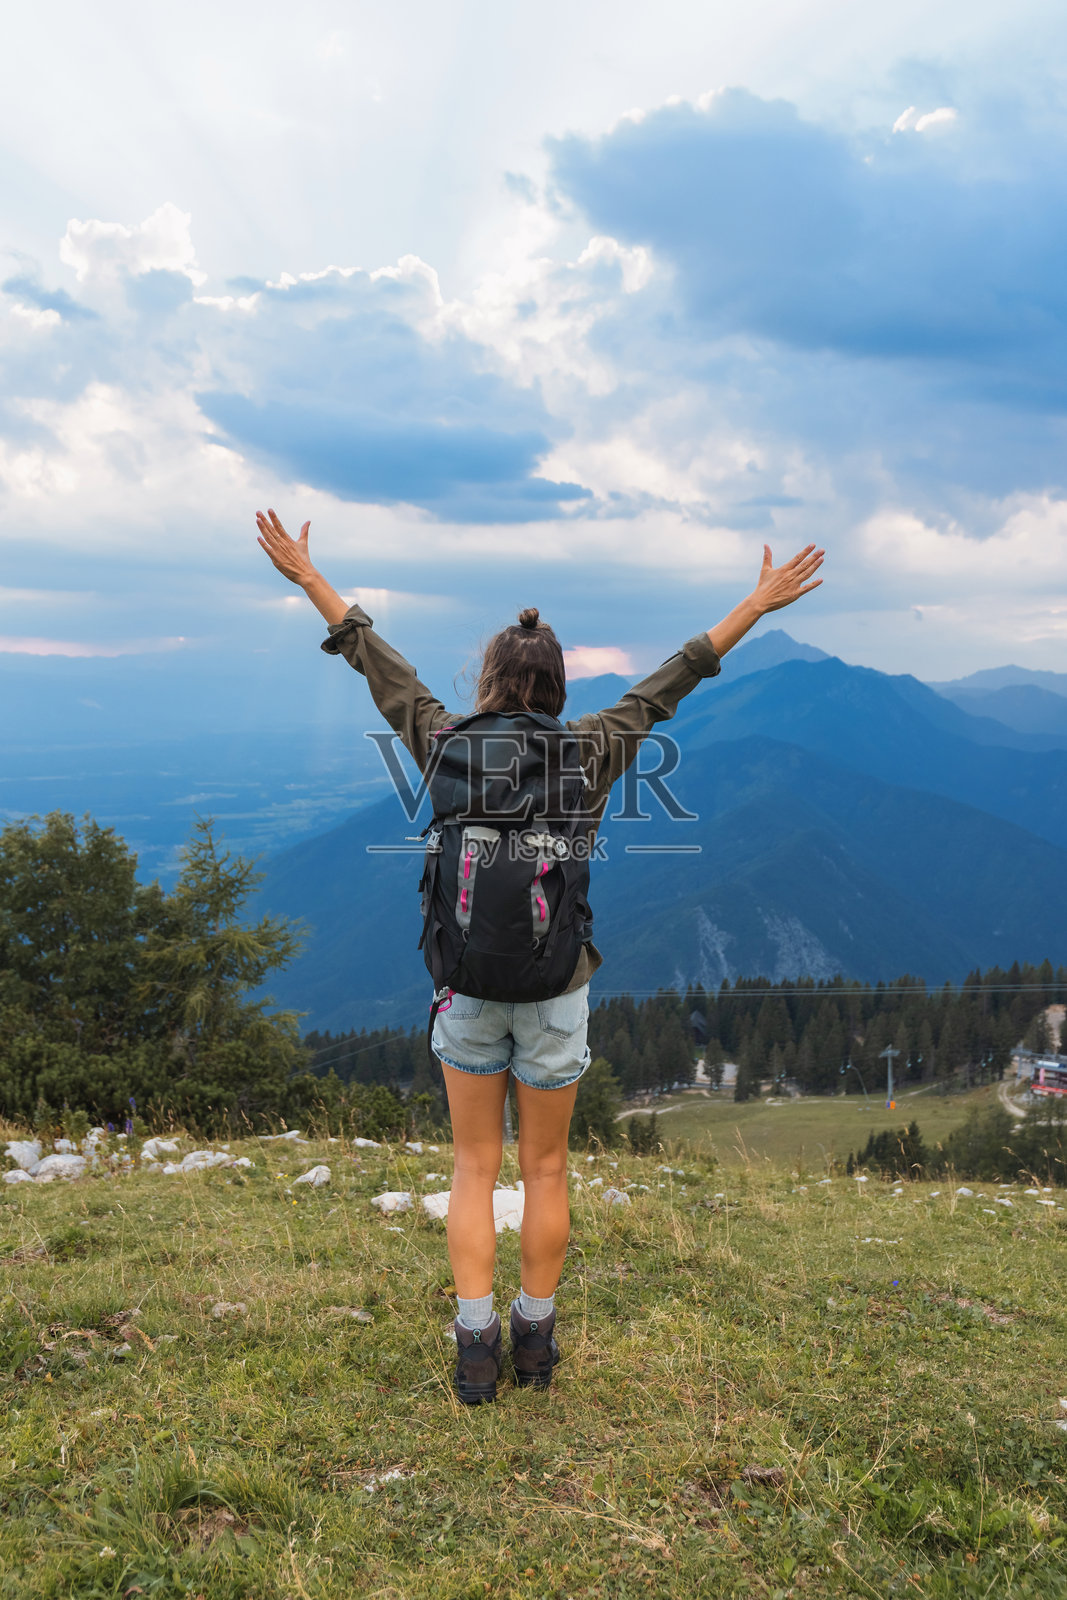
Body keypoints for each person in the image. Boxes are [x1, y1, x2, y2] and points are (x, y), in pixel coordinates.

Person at [256, 508, 824, 1402]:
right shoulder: (590, 749)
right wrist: (754, 603)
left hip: (467, 986)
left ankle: (473, 1348)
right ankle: (535, 1344)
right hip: (558, 986)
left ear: (488, 678)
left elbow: (377, 662)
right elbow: (673, 681)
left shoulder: (442, 742)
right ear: (558, 686)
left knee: (474, 1166)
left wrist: (309, 580)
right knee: (546, 1167)